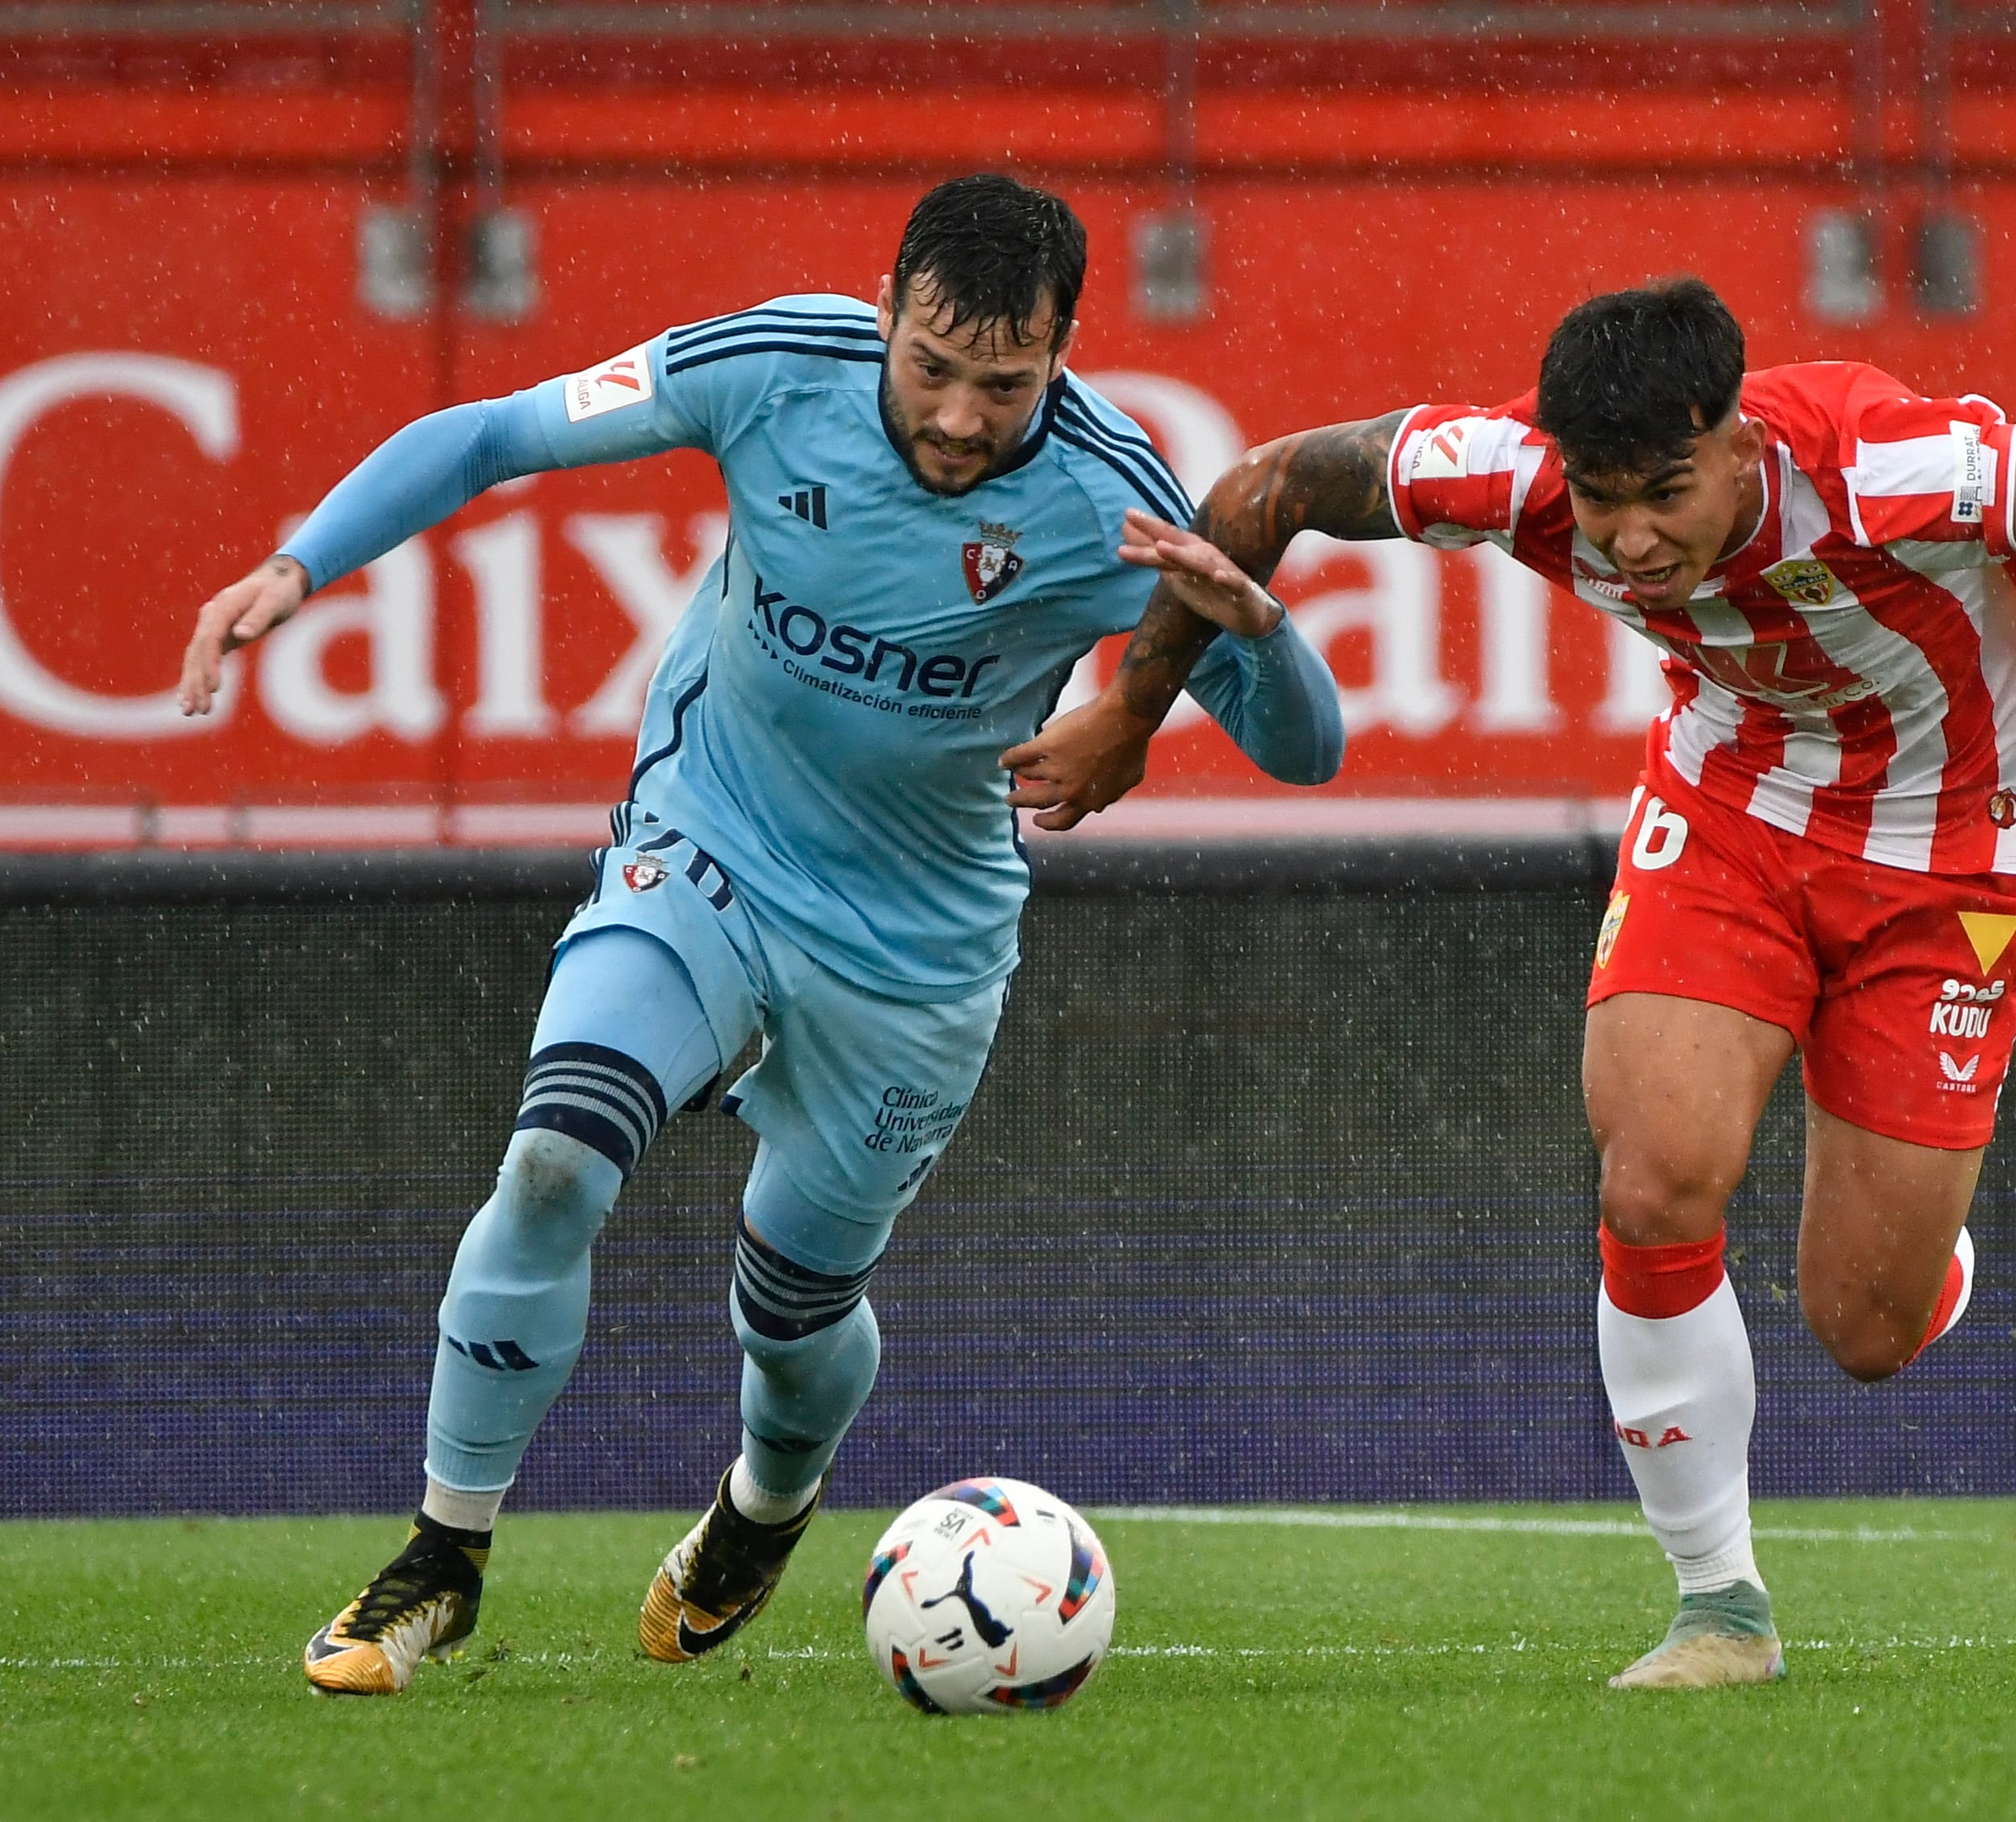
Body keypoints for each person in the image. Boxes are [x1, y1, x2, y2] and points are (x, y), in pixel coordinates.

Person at [1002, 276, 2016, 1689]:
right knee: (1656, 1169)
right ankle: (1720, 1608)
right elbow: (1267, 489)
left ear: (1737, 442)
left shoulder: (1897, 466)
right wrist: (1128, 714)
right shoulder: (1503, 474)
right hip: (1729, 808)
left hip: (1950, 855)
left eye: (1669, 494)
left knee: (1863, 1330)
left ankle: (1915, 1238)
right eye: (1604, 506)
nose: (1634, 541)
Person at [173, 174, 1342, 1695]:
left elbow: (1306, 751)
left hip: (918, 957)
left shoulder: (1111, 502)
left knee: (790, 1313)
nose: (963, 417)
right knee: (554, 1156)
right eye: (931, 369)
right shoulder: (770, 367)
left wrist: (1251, 628)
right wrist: (299, 562)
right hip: (708, 847)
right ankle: (441, 1557)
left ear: (1063, 350)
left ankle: (765, 1506)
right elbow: (490, 435)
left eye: (1006, 383)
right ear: (884, 319)